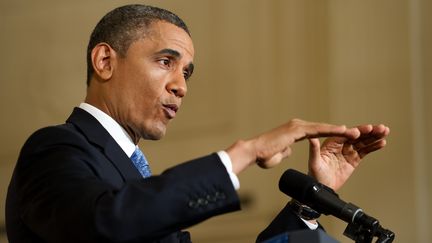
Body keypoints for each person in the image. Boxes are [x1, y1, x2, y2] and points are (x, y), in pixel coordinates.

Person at [5, 4, 390, 243]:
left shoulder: (134, 179)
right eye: (165, 62)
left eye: (187, 71)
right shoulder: (53, 149)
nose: (181, 86)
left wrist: (310, 202)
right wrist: (246, 152)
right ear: (105, 61)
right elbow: (107, 223)